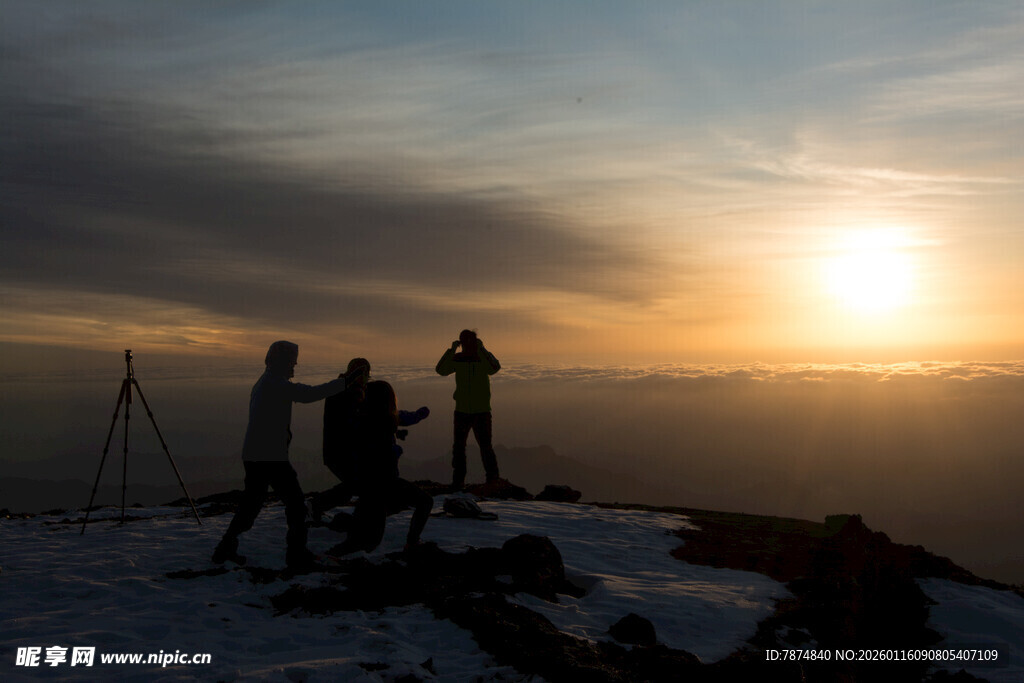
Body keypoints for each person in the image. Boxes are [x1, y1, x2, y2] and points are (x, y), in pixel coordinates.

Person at [211, 341, 366, 569]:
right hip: (269, 457)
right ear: (282, 361)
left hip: (255, 455)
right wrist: (345, 382)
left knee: (251, 506)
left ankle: (224, 549)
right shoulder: (275, 384)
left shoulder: (266, 382)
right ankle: (297, 554)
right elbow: (310, 394)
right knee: (295, 505)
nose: (295, 365)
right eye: (292, 361)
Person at [330, 380, 433, 555]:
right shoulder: (380, 421)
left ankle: (346, 526)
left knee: (366, 535)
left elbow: (401, 417)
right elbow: (381, 451)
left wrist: (418, 415)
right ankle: (411, 543)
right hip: (382, 483)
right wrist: (396, 449)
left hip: (370, 484)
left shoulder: (366, 418)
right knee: (369, 540)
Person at [435, 329, 501, 490]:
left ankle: (489, 480)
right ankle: (461, 481)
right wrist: (451, 351)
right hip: (466, 410)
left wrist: (482, 349)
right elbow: (441, 370)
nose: (468, 344)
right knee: (463, 447)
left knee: (478, 447)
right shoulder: (458, 358)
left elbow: (494, 368)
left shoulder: (480, 357)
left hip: (478, 411)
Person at [309, 357, 371, 523]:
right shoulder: (348, 391)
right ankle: (315, 506)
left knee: (355, 485)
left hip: (338, 449)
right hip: (342, 450)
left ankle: (316, 507)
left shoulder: (342, 388)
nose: (363, 376)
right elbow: (354, 419)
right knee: (356, 485)